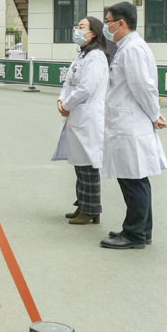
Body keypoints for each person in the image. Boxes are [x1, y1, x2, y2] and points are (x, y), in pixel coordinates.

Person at [100, 2, 167, 250]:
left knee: (133, 179)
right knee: (135, 179)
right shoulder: (128, 47)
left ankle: (134, 233)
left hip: (130, 124)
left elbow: (143, 86)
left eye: (108, 22)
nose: (106, 27)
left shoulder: (132, 49)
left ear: (121, 23)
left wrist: (154, 114)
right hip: (127, 123)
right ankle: (141, 229)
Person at [53, 16, 108, 225]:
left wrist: (66, 105)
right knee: (79, 164)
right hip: (76, 114)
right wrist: (61, 101)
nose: (77, 30)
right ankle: (83, 205)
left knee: (88, 164)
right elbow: (68, 83)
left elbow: (86, 88)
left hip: (87, 117)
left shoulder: (96, 57)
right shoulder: (82, 55)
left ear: (92, 33)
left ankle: (91, 209)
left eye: (81, 27)